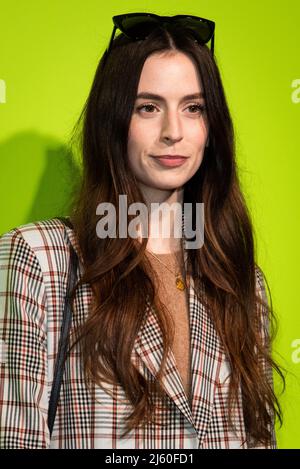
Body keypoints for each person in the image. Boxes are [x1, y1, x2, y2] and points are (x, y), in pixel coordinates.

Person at [0, 13, 284, 449]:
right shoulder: (41, 259)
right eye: (148, 107)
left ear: (212, 130)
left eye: (194, 108)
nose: (173, 132)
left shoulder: (241, 280)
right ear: (113, 121)